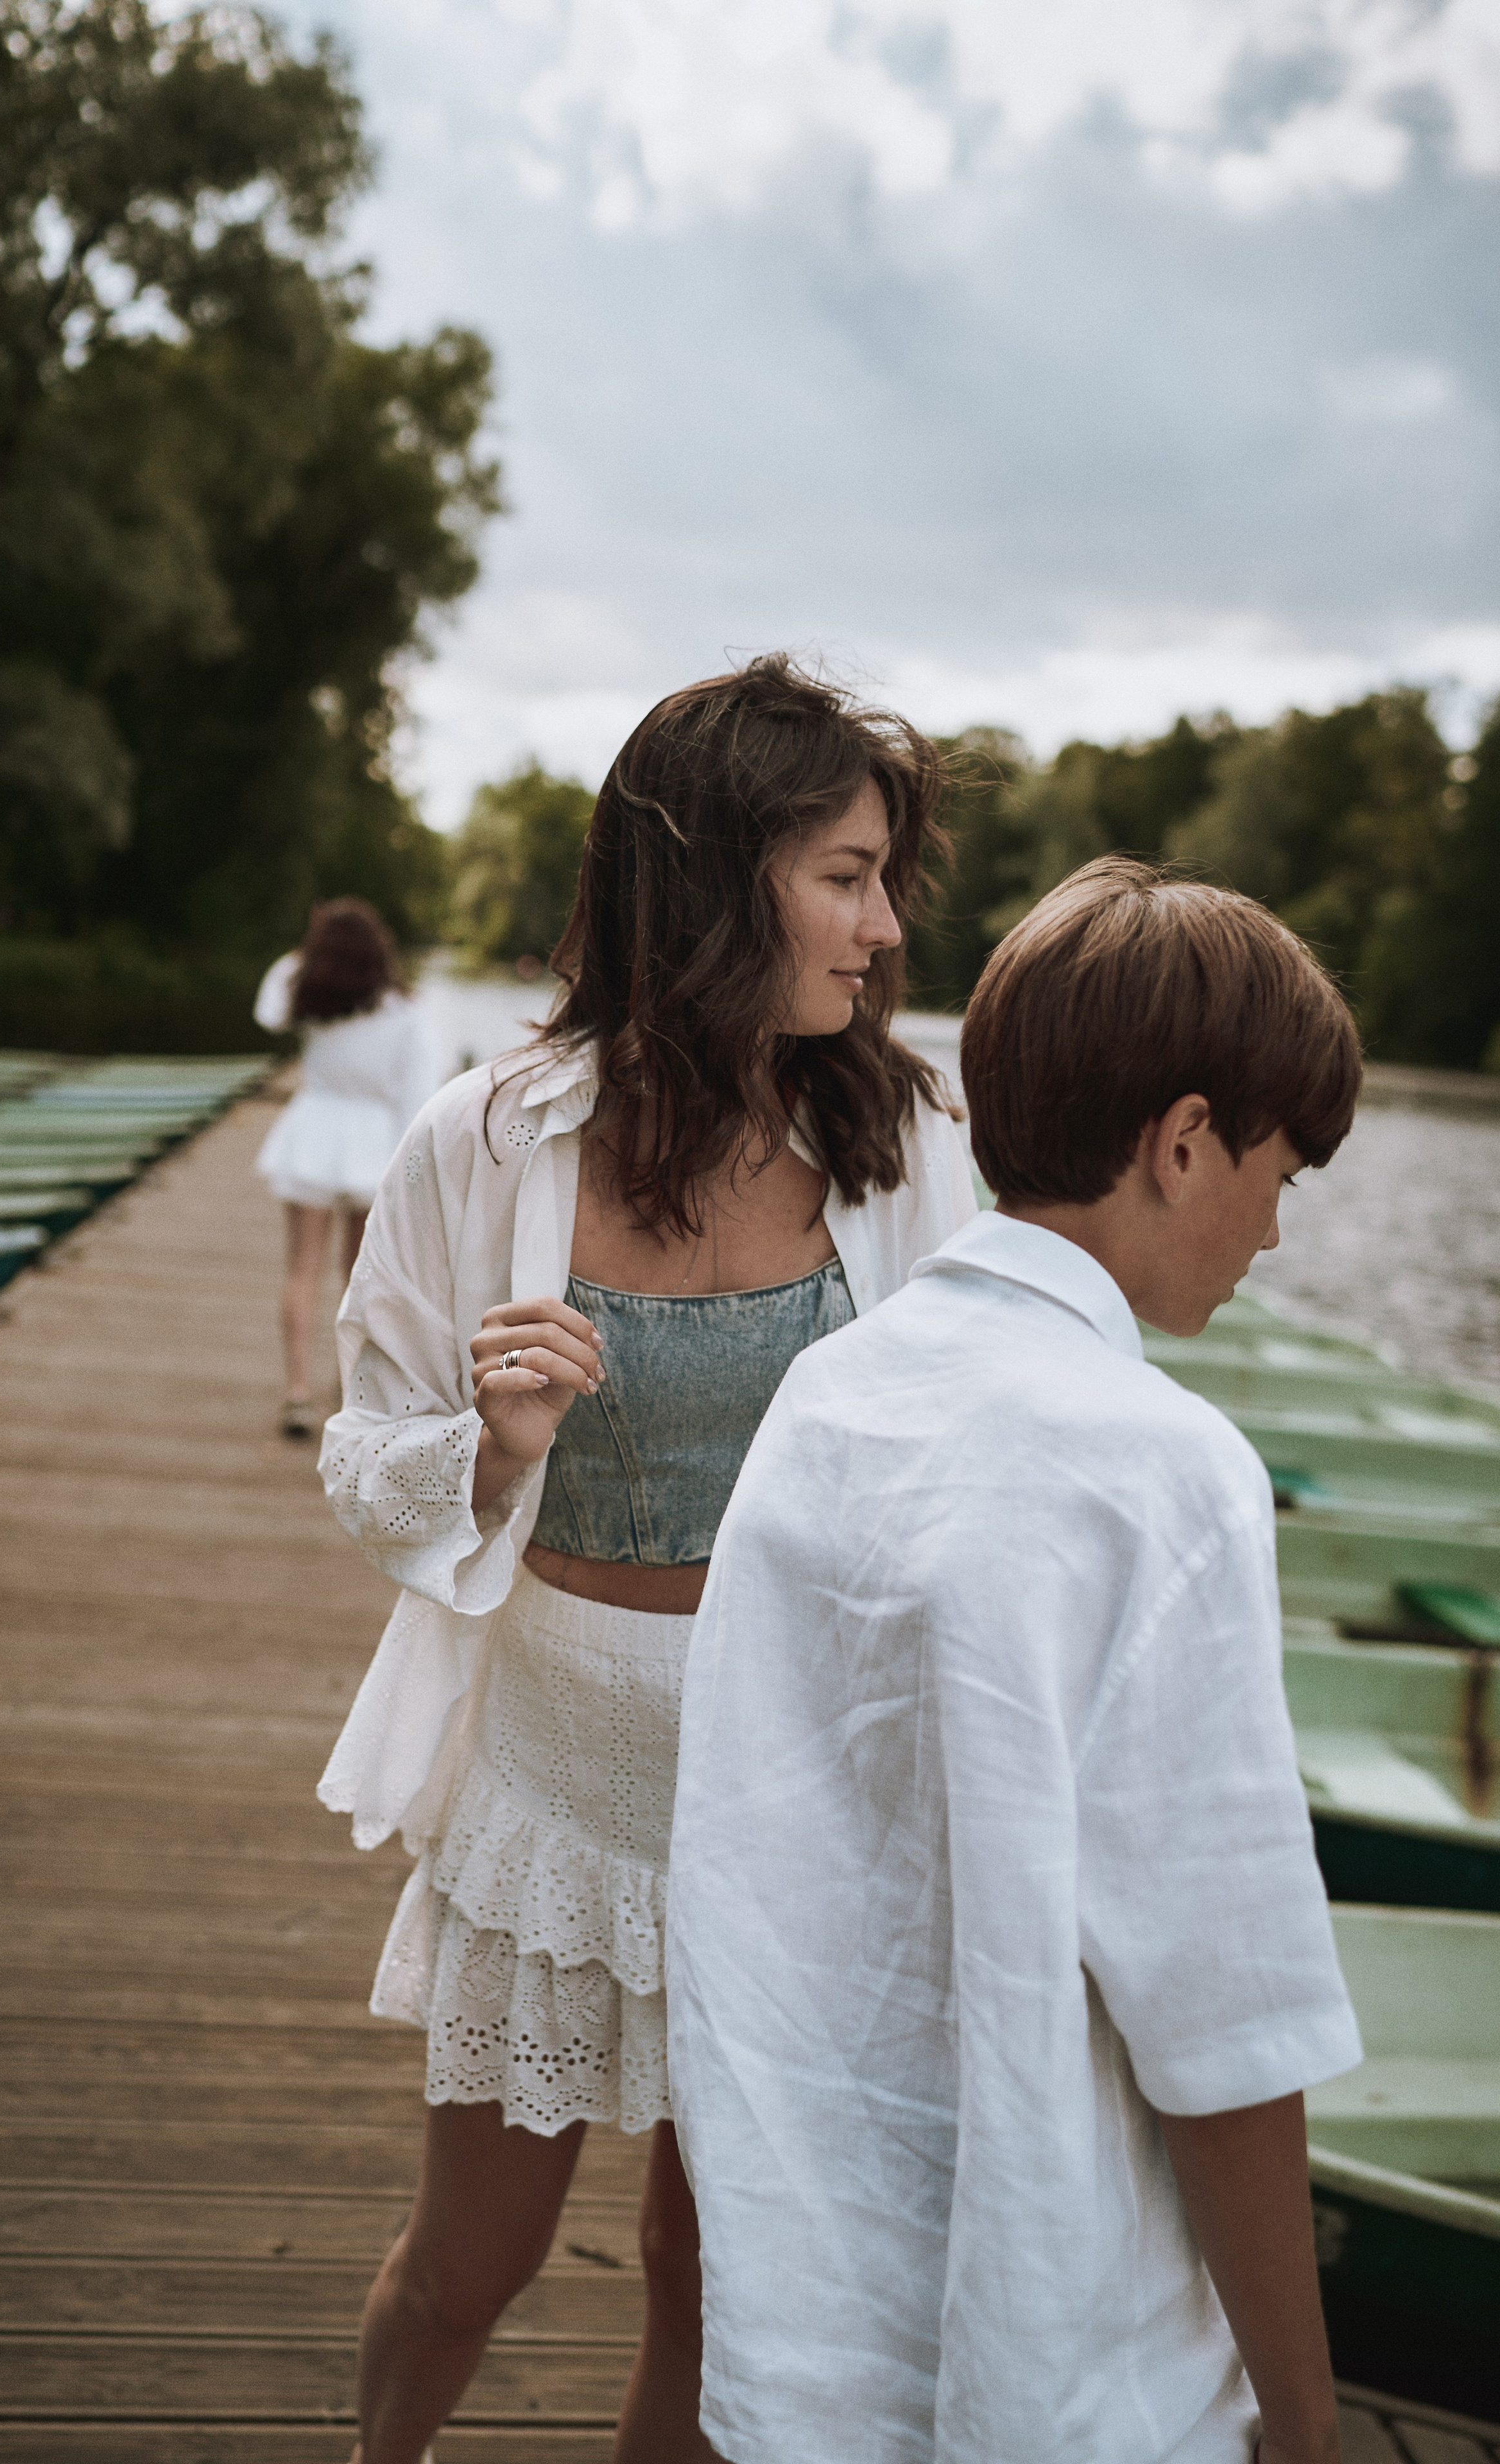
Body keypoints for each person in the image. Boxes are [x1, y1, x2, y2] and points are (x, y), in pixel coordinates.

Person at [313, 656, 979, 2464]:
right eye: (845, 874)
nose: (881, 924)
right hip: (551, 1783)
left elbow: (977, 1458)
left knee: (713, 2274)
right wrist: (490, 1444)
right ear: (713, 885)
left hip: (793, 1802)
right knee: (472, 2263)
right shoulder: (484, 1138)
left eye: (883, 877)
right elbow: (363, 1469)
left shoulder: (915, 1149)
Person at [666, 855, 1366, 2464]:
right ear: (1181, 1143)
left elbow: (741, 1868)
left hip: (798, 2326)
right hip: (1054, 2352)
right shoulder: (1162, 1471)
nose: (1273, 1226)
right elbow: (1224, 2013)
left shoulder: (829, 1396)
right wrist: (1304, 2415)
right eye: (1280, 1170)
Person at [254, 900, 439, 1439]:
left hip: (312, 1136)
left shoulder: (310, 997)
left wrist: (309, 953)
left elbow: (266, 1009)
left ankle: (296, 1392)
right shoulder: (404, 1013)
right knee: (359, 1276)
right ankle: (349, 1386)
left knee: (301, 1268)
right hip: (374, 1148)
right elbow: (418, 1098)